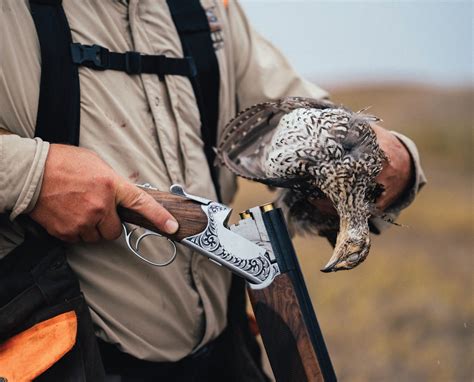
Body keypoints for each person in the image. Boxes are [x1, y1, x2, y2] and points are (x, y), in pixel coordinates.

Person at [0, 1, 426, 381]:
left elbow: (292, 116)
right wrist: (31, 174)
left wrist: (392, 158)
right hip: (55, 362)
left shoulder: (208, 8)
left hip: (226, 356)